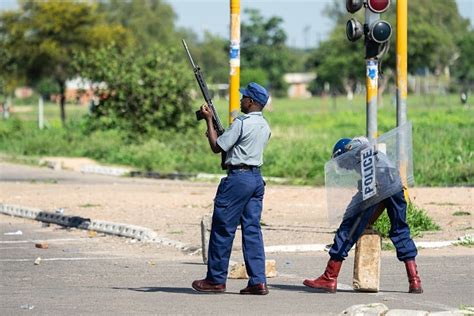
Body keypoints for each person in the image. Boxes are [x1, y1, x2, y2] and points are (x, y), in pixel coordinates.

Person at [303, 137, 423, 294]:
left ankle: (329, 277)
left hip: (373, 183)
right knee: (400, 230)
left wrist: (356, 221)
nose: (346, 167)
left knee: (347, 229)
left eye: (342, 162)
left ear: (345, 153)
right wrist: (368, 221)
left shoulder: (355, 149)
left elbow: (374, 192)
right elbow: (382, 199)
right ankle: (414, 281)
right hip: (395, 183)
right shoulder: (372, 152)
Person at [192, 82, 272, 295]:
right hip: (256, 178)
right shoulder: (265, 125)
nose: (241, 100)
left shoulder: (241, 122)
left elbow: (217, 146)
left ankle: (215, 280)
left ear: (252, 102)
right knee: (252, 230)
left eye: (244, 97)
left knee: (222, 229)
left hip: (238, 179)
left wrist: (209, 120)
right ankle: (258, 281)